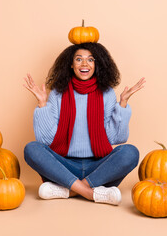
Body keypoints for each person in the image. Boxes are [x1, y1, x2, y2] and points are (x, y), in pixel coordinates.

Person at [23, 42, 145, 205]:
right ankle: (91, 193)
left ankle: (71, 190)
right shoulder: (58, 93)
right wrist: (42, 104)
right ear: (71, 65)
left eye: (91, 59)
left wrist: (122, 104)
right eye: (79, 59)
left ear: (97, 64)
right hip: (64, 166)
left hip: (99, 168)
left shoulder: (107, 93)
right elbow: (46, 140)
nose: (85, 64)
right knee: (32, 149)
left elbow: (115, 137)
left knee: (130, 152)